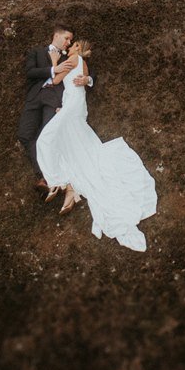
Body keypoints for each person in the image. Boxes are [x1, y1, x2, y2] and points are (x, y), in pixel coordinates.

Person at [35, 39, 158, 251]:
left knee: (45, 139)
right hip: (75, 106)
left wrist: (54, 60)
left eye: (71, 45)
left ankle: (56, 180)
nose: (68, 48)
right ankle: (68, 185)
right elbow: (79, 82)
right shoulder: (83, 63)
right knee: (72, 142)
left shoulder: (73, 59)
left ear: (76, 48)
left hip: (72, 106)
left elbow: (55, 81)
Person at [18, 25, 76, 191]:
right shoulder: (36, 52)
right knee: (25, 134)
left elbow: (86, 70)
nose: (68, 42)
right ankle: (44, 175)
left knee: (48, 136)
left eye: (70, 40)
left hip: (54, 99)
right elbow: (30, 72)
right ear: (56, 35)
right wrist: (53, 69)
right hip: (35, 96)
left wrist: (87, 79)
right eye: (66, 38)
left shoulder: (69, 58)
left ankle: (50, 179)